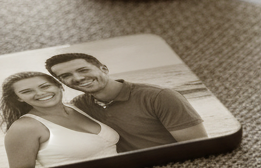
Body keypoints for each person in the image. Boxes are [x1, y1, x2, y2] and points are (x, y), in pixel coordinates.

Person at [45, 52, 207, 153]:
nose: (78, 78)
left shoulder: (160, 96)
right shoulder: (80, 105)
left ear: (104, 69)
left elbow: (199, 147)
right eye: (66, 76)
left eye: (83, 70)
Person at [0, 71, 119, 168]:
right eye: (26, 91)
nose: (40, 93)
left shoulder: (79, 107)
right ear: (19, 98)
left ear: (59, 86)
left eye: (45, 86)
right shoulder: (25, 127)